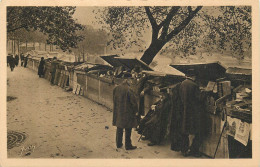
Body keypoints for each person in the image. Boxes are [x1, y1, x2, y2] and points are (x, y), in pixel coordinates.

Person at [179, 71, 203, 157]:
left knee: (184, 131)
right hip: (193, 112)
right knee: (198, 131)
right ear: (193, 76)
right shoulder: (194, 85)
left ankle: (184, 150)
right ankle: (194, 150)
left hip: (184, 110)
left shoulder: (182, 83)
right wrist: (205, 93)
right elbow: (199, 99)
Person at [112, 73, 139, 150]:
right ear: (127, 80)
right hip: (127, 112)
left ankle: (118, 144)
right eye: (131, 80)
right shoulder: (129, 90)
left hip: (119, 111)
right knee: (128, 129)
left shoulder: (116, 88)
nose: (131, 82)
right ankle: (128, 145)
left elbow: (114, 100)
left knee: (119, 128)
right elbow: (133, 103)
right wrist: (136, 111)